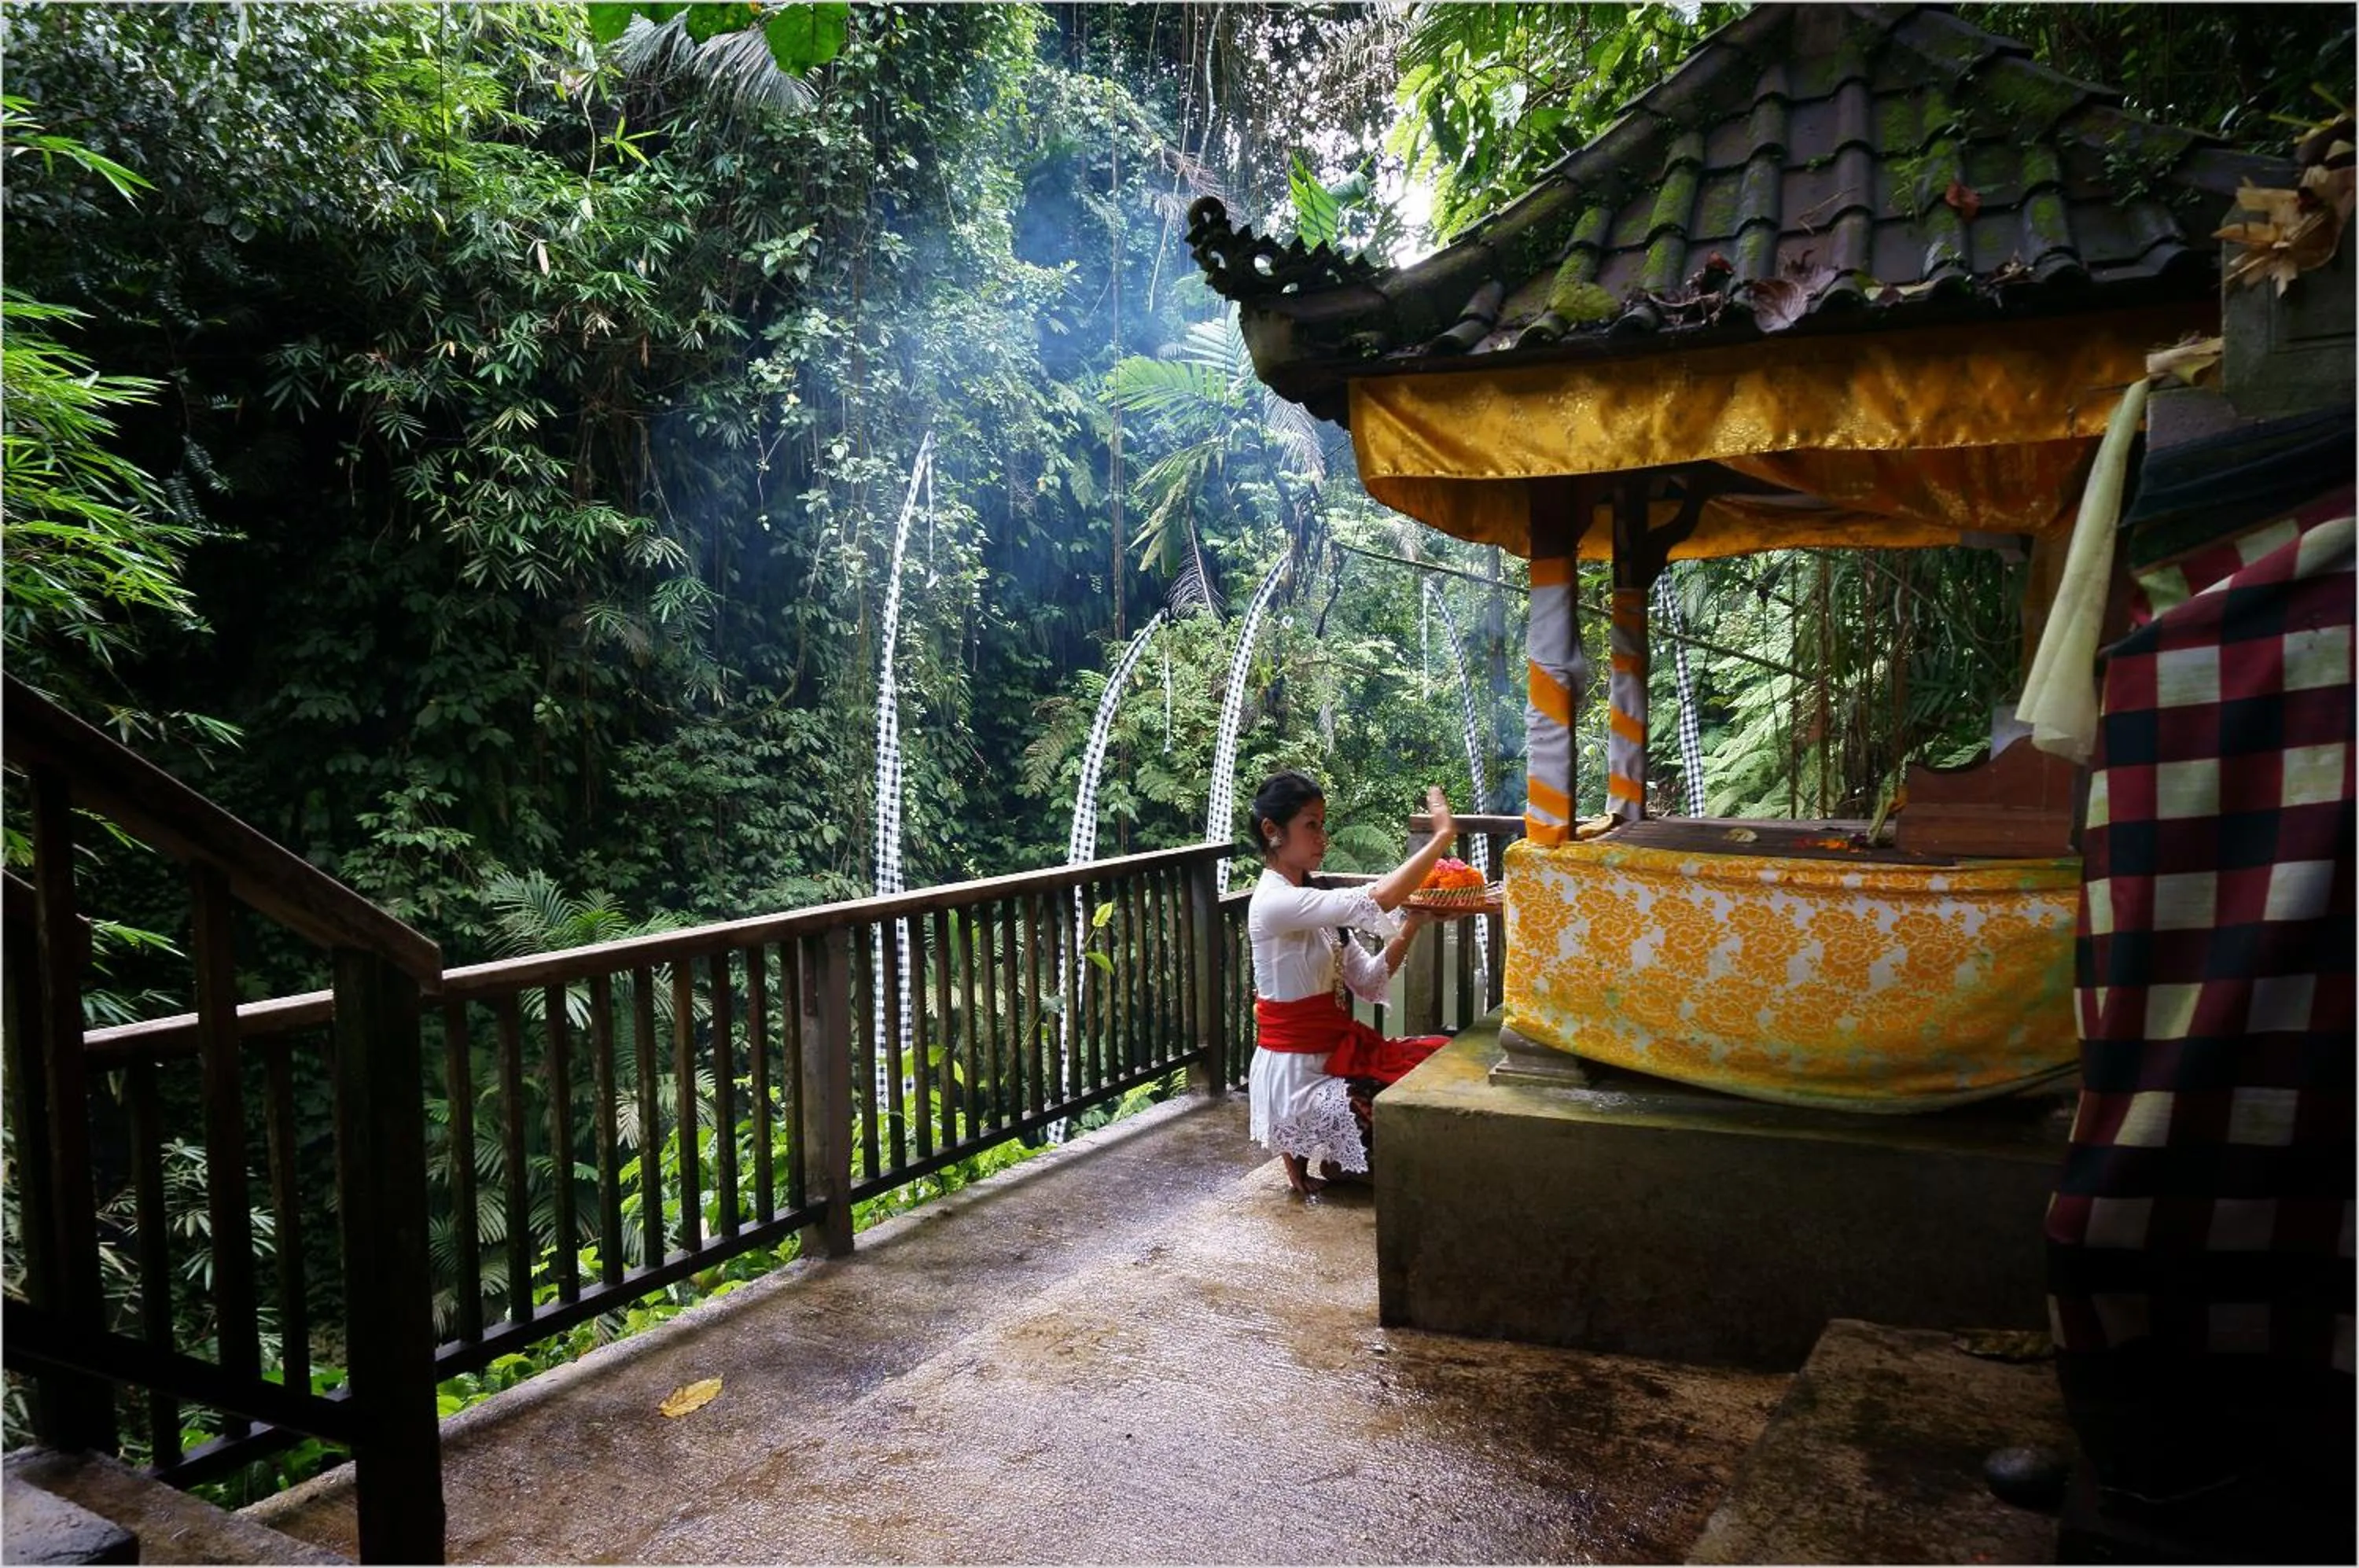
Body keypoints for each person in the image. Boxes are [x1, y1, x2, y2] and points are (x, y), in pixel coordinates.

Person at [1246, 771, 1461, 1197]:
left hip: (1329, 1059)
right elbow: (1376, 899)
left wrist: (1414, 923)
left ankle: (1342, 1162)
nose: (1322, 837)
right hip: (1296, 1079)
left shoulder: (1312, 904)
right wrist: (1440, 841)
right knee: (1404, 1130)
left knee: (1436, 1063)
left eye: (1322, 824)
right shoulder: (1273, 903)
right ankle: (1334, 1159)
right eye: (1311, 825)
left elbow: (1368, 979)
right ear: (1272, 831)